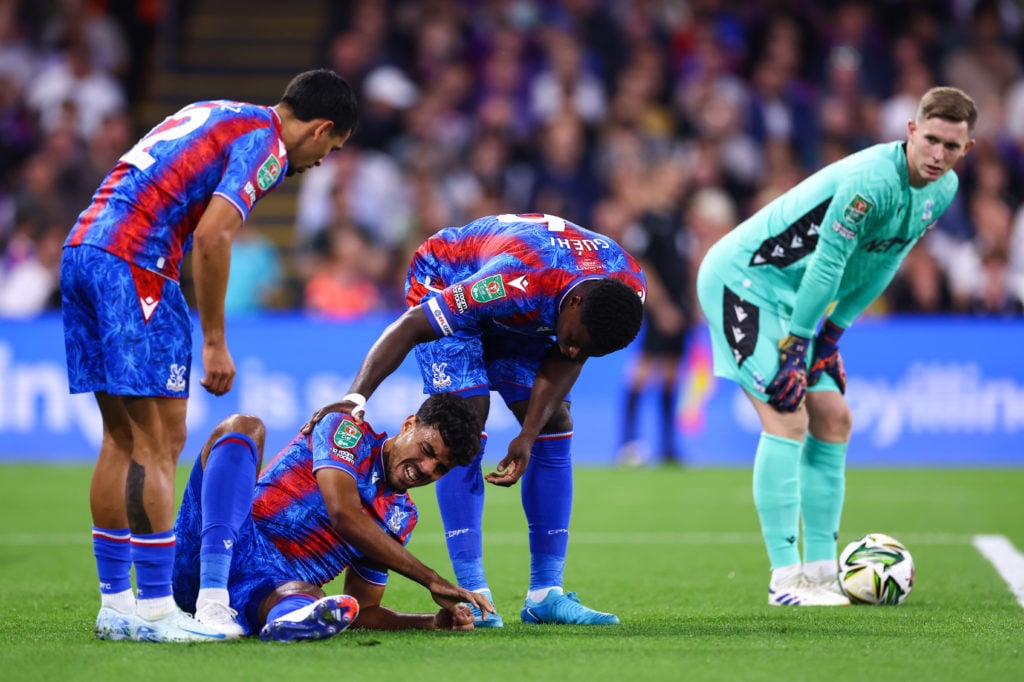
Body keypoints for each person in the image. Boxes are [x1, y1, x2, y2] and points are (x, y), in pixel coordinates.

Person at [61, 69, 359, 642]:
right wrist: (216, 339)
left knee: (121, 438)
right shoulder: (266, 145)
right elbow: (215, 234)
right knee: (159, 441)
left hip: (85, 248)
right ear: (321, 129)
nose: (321, 161)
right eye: (331, 149)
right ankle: (154, 609)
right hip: (135, 263)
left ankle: (116, 605)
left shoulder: (221, 111)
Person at [696, 86, 976, 606]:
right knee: (788, 416)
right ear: (911, 132)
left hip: (796, 301)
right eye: (931, 140)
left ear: (968, 149)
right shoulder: (871, 182)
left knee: (833, 416)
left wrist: (831, 335)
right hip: (746, 282)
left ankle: (824, 572)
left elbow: (886, 259)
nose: (939, 156)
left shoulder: (943, 191)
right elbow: (827, 264)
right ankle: (786, 579)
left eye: (952, 147)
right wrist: (801, 344)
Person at [305, 212, 646, 626]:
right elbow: (413, 325)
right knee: (464, 421)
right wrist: (354, 397)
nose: (575, 352)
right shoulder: (513, 277)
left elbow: (567, 354)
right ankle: (474, 593)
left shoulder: (624, 290)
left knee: (554, 425)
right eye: (575, 340)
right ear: (574, 304)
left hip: (527, 315)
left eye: (586, 350)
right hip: (450, 275)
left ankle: (546, 594)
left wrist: (528, 434)